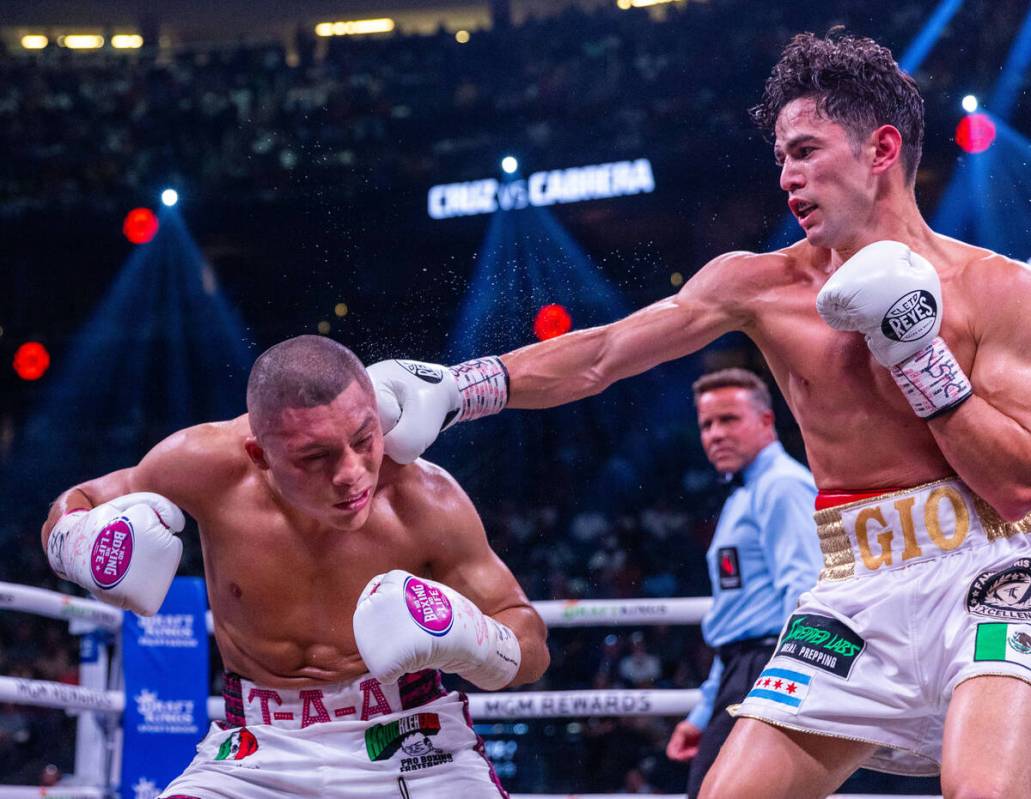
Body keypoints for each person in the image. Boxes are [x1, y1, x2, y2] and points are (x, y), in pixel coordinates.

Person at [368, 30, 1031, 799]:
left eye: (806, 150)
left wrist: (921, 358)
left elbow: (1015, 485)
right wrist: (461, 388)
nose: (786, 176)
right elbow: (602, 353)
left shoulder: (995, 289)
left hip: (994, 570)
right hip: (856, 583)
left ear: (880, 148)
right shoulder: (756, 285)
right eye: (780, 156)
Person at [40, 335, 549, 798]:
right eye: (316, 457)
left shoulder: (426, 498)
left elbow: (531, 647)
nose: (352, 474)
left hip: (417, 739)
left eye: (363, 439)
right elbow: (79, 500)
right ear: (260, 455)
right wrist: (76, 540)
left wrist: (479, 640)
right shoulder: (202, 466)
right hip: (253, 752)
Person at [664, 368, 820, 798]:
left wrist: (789, 687)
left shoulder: (783, 486)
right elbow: (736, 620)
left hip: (769, 665)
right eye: (707, 424)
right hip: (742, 669)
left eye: (729, 420)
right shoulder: (742, 496)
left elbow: (804, 592)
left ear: (766, 421)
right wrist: (700, 714)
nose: (715, 435)